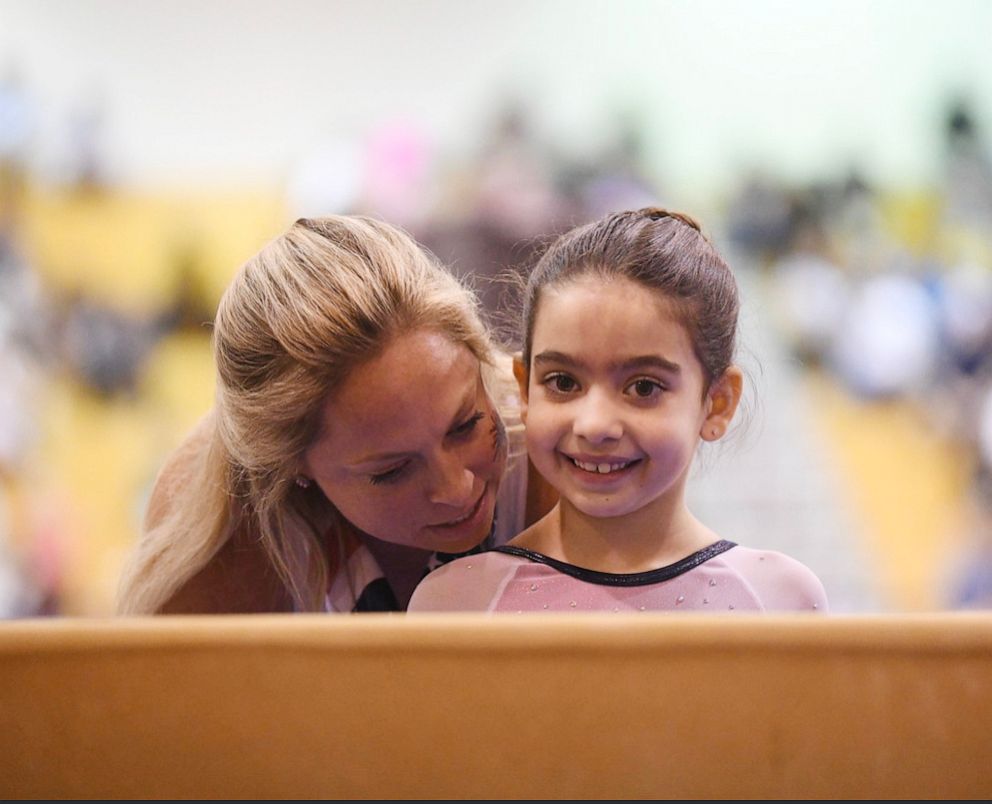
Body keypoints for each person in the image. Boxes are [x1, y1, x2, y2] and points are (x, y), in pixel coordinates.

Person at [116, 214, 556, 614]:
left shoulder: (557, 447)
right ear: (293, 467)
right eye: (393, 470)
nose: (457, 489)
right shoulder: (217, 535)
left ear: (479, 361)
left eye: (466, 425)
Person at [408, 207, 829, 613]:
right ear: (525, 388)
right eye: (563, 382)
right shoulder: (456, 601)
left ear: (717, 404)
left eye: (643, 387)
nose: (594, 425)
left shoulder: (778, 600)